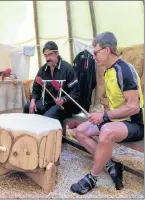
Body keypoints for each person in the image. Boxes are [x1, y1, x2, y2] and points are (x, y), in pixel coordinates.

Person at [70, 32, 144, 195]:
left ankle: (92, 177)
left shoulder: (124, 70)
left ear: (108, 50)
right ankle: (111, 165)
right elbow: (114, 105)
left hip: (134, 124)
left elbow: (133, 107)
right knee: (81, 131)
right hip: (117, 120)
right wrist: (100, 115)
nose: (94, 56)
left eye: (95, 52)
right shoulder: (108, 71)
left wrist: (104, 117)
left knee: (106, 131)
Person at [23, 41, 80, 124]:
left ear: (57, 53)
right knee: (27, 107)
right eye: (45, 55)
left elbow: (76, 92)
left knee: (47, 118)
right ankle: (31, 134)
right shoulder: (43, 70)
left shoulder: (67, 69)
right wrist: (33, 100)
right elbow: (36, 89)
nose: (47, 58)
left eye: (50, 54)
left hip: (63, 106)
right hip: (46, 103)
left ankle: (46, 135)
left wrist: (64, 99)